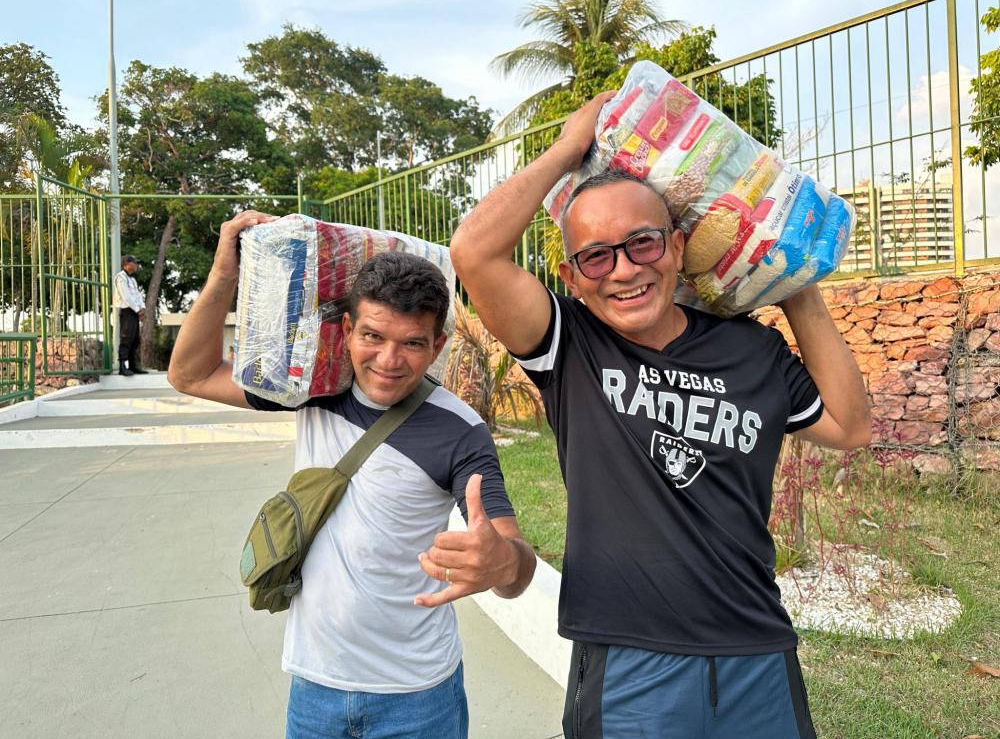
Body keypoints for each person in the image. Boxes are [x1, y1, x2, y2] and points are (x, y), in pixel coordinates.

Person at [449, 92, 872, 739]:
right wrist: (567, 148)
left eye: (642, 244)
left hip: (757, 653)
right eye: (598, 256)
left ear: (676, 247)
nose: (624, 271)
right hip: (628, 660)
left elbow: (849, 427)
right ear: (573, 274)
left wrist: (797, 287)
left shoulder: (750, 349)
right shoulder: (571, 346)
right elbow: (474, 253)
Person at [167, 210, 536, 739]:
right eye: (373, 336)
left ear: (436, 346)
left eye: (412, 343)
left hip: (419, 696)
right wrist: (225, 274)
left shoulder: (460, 430)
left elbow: (515, 566)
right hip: (314, 688)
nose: (389, 360)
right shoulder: (313, 392)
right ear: (346, 330)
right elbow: (191, 374)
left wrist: (501, 563)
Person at [113, 254, 146, 375]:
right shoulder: (121, 277)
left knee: (135, 339)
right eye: (134, 263)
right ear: (127, 264)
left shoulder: (132, 279)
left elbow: (137, 295)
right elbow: (126, 296)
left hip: (135, 311)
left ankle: (133, 366)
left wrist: (142, 308)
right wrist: (138, 310)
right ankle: (122, 366)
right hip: (127, 311)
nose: (136, 265)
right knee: (126, 338)